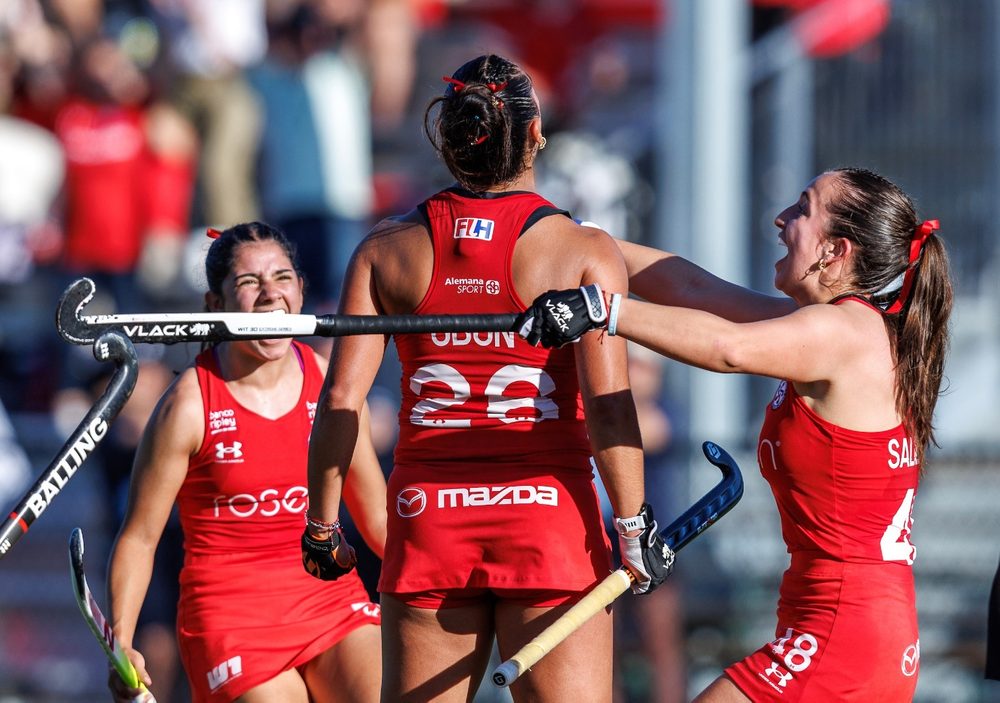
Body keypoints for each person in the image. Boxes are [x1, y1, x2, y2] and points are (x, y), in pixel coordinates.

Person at [301, 53, 674, 702]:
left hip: (430, 523)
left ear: (447, 140)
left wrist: (322, 525)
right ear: (536, 133)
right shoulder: (582, 250)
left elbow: (341, 400)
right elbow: (609, 406)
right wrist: (634, 527)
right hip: (549, 524)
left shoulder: (385, 248)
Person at [517, 167, 953, 701]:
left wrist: (603, 311)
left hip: (842, 633)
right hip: (860, 631)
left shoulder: (842, 331)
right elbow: (694, 290)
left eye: (802, 209)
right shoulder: (839, 329)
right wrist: (576, 238)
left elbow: (728, 348)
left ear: (834, 251)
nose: (781, 219)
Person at [106, 222, 387, 703]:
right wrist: (123, 640)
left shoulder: (331, 384)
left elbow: (377, 516)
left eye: (282, 277)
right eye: (249, 282)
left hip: (330, 601)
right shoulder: (188, 406)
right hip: (232, 620)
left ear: (300, 292)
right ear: (216, 304)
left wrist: (456, 580)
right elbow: (139, 537)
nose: (269, 294)